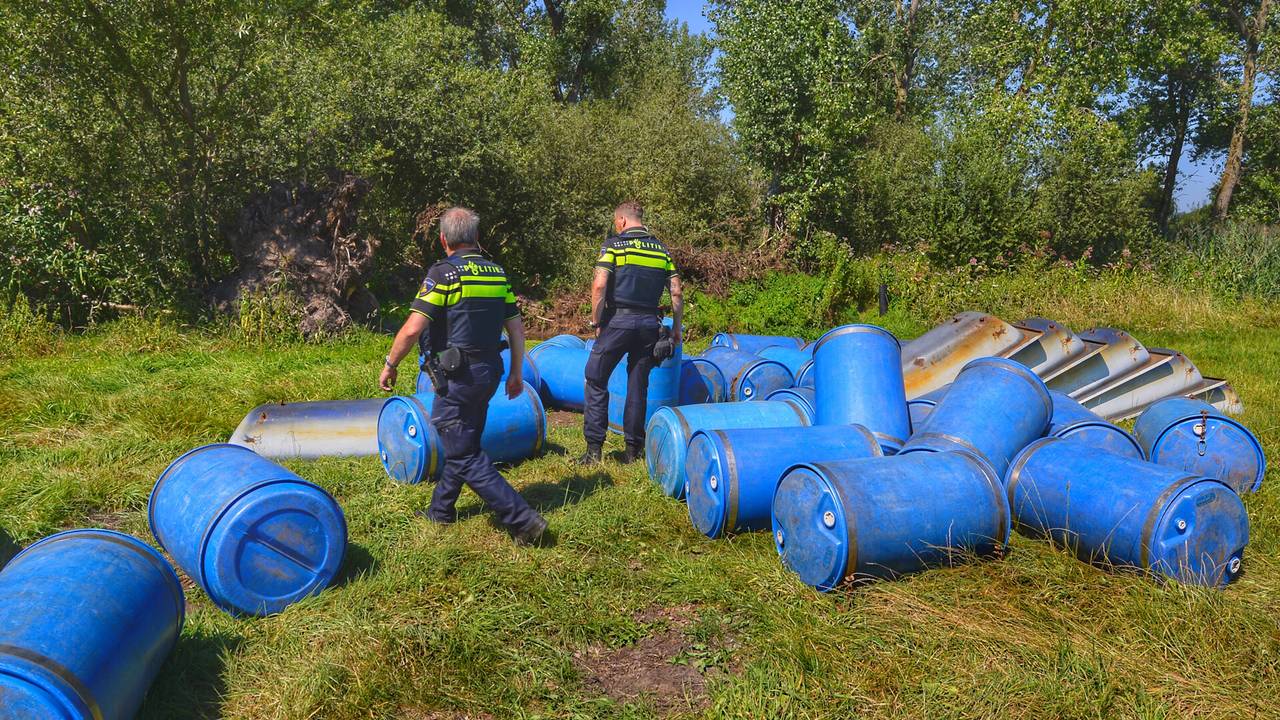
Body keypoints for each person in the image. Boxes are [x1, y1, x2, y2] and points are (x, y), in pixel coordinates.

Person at [379, 207, 548, 545]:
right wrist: (516, 372)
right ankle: (441, 511)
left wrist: (391, 363)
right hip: (489, 374)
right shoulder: (496, 274)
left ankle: (523, 519)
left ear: (444, 240)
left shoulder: (444, 274)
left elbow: (413, 328)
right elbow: (515, 327)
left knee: (461, 451)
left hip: (457, 376)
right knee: (464, 441)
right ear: (476, 238)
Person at [578, 201, 683, 465]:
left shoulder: (613, 245)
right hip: (649, 325)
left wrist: (595, 321)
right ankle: (633, 450)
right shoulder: (661, 250)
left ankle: (593, 451)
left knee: (595, 378)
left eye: (616, 222)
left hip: (618, 322)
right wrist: (677, 329)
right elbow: (676, 292)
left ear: (622, 221)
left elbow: (600, 285)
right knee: (638, 386)